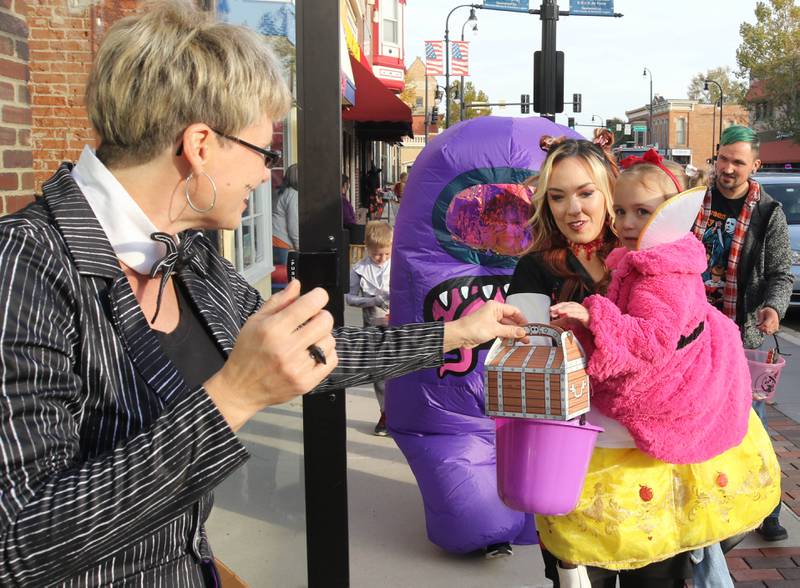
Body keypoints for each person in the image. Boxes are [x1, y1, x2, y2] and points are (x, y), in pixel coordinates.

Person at [0, 3, 529, 585]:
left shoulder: (185, 253)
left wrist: (455, 333)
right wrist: (233, 395)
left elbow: (313, 353)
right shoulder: (24, 264)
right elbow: (21, 540)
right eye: (264, 152)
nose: (266, 174)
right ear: (200, 146)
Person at [509, 138, 778, 587]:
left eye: (585, 192)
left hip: (659, 457)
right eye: (556, 196)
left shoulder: (652, 253)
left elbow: (689, 332)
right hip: (580, 461)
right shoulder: (536, 268)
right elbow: (531, 361)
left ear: (609, 190)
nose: (571, 209)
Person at [692, 125, 793, 542]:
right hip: (692, 332)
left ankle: (768, 509)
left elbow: (780, 273)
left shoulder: (769, 213)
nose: (728, 168)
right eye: (723, 159)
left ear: (755, 165)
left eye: (738, 161)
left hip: (738, 332)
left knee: (753, 425)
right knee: (694, 419)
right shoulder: (693, 202)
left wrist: (772, 306)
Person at [345, 221, 392, 435]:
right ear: (367, 248)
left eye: (386, 254)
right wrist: (373, 300)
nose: (382, 259)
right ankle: (385, 413)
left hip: (397, 324)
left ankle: (403, 414)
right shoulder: (359, 270)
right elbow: (349, 298)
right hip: (373, 326)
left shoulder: (397, 263)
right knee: (379, 373)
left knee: (401, 371)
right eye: (376, 255)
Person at [272, 162, 299, 265]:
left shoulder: (279, 191)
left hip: (271, 239)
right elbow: (293, 224)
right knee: (285, 278)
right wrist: (298, 245)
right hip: (282, 242)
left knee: (275, 278)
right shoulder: (293, 195)